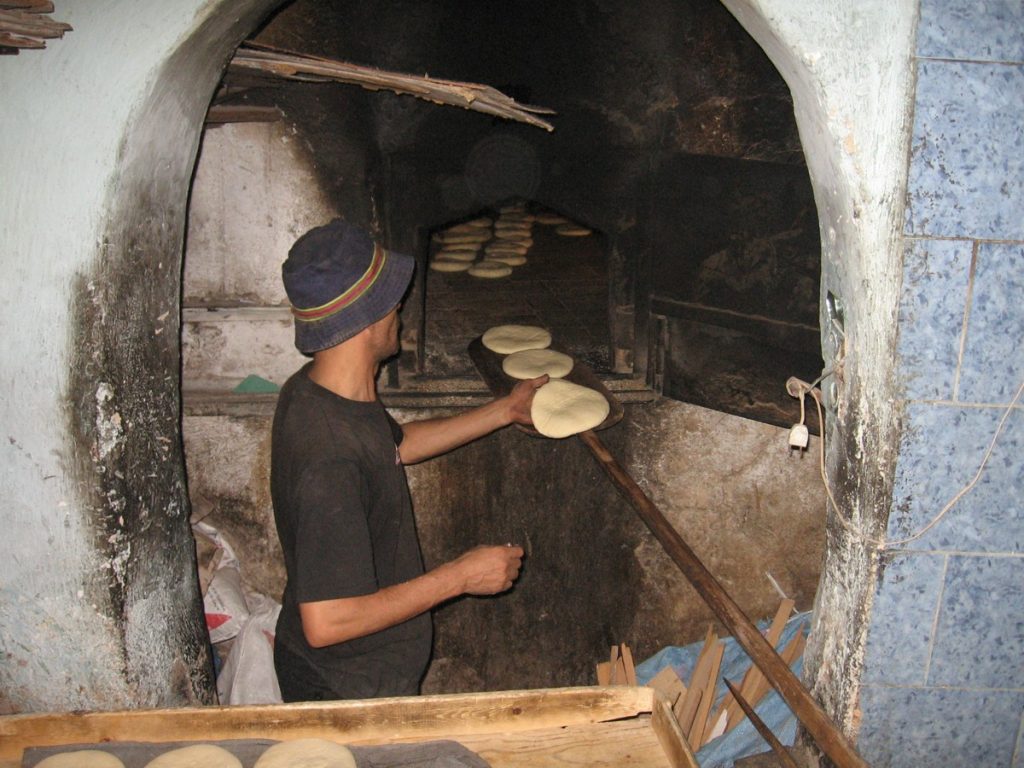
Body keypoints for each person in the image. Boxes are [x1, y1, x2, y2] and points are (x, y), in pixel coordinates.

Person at [271, 218, 546, 702]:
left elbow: (391, 447)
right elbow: (327, 621)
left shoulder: (323, 391)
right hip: (347, 690)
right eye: (391, 301)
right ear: (366, 319)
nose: (399, 307)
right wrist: (460, 576)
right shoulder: (328, 457)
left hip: (360, 674)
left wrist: (505, 410)